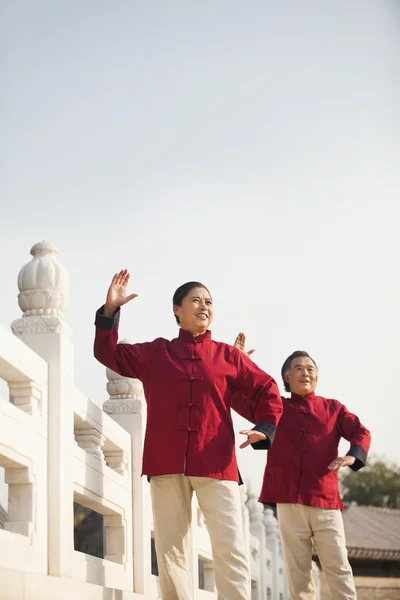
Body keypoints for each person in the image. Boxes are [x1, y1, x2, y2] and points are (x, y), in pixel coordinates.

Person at [94, 270, 283, 600]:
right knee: (171, 555)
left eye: (209, 302)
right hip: (165, 464)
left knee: (231, 550)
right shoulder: (156, 352)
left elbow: (267, 390)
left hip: (216, 464)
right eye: (195, 300)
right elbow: (108, 354)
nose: (204, 306)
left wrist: (265, 428)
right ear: (176, 310)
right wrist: (110, 312)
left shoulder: (228, 356)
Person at [231, 341, 371, 600]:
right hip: (288, 500)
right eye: (298, 368)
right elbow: (238, 397)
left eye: (310, 369)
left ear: (316, 376)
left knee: (338, 566)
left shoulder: (334, 408)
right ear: (286, 376)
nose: (305, 373)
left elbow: (361, 432)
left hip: (325, 500)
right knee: (298, 574)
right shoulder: (275, 408)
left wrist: (353, 456)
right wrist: (240, 364)